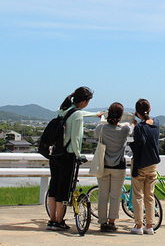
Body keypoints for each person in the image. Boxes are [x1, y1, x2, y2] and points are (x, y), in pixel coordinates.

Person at [47, 86, 103, 231]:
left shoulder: (63, 109)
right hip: (68, 156)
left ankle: (52, 220)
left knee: (53, 187)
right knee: (63, 190)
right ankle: (59, 221)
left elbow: (79, 112)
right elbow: (76, 138)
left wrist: (96, 114)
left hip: (55, 154)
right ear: (84, 101)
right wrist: (79, 155)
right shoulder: (76, 115)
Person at [93, 102, 133, 232]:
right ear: (121, 116)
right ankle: (112, 222)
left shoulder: (102, 129)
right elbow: (132, 126)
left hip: (103, 166)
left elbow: (96, 133)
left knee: (103, 195)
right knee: (115, 195)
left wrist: (101, 119)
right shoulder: (124, 130)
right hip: (119, 166)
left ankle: (102, 222)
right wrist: (132, 120)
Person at [129, 98, 161, 235]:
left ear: (137, 112)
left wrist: (135, 125)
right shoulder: (157, 123)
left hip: (140, 165)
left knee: (138, 196)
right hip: (153, 165)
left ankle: (139, 225)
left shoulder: (139, 128)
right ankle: (149, 225)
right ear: (150, 109)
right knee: (150, 196)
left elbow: (137, 147)